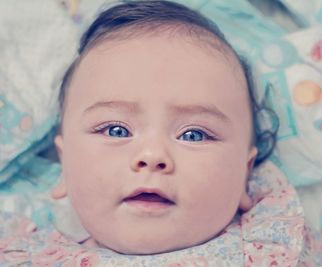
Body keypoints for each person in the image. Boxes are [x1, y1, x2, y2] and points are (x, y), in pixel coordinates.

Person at [50, 0, 275, 255]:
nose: (152, 156)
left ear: (244, 174)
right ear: (64, 164)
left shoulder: (276, 245)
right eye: (116, 130)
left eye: (194, 135)